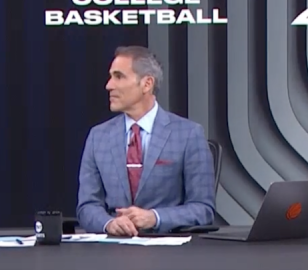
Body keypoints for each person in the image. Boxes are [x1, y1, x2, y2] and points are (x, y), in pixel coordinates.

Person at [76, 46, 215, 237]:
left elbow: (203, 209)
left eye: (119, 76)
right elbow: (87, 206)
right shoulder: (98, 137)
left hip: (169, 247)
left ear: (147, 84)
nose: (109, 85)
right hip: (112, 248)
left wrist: (155, 217)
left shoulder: (188, 134)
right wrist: (109, 223)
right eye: (110, 77)